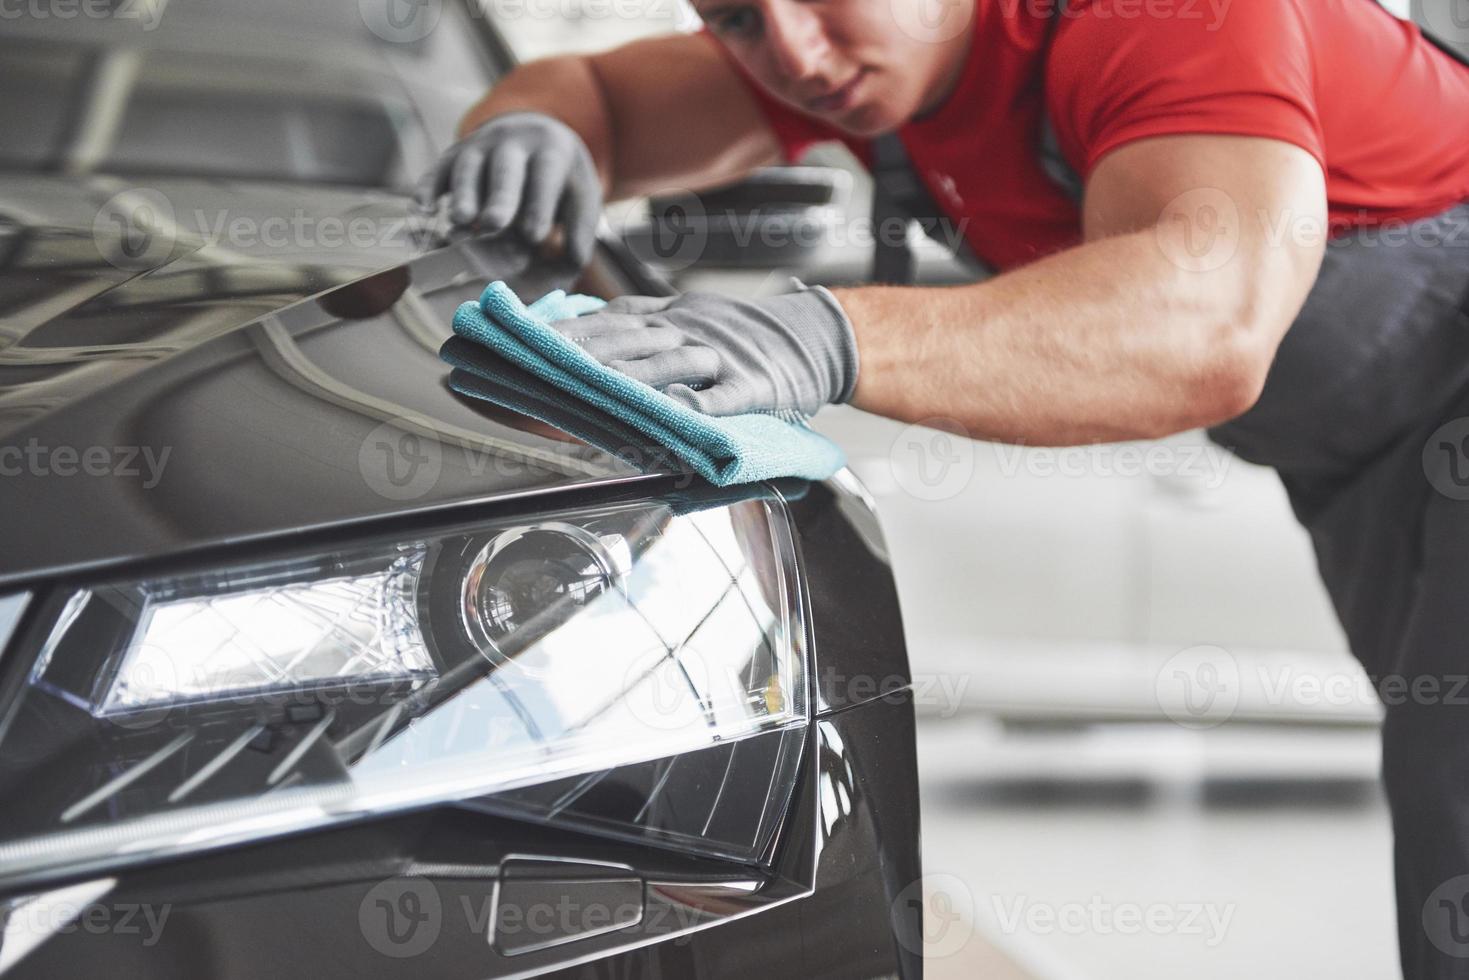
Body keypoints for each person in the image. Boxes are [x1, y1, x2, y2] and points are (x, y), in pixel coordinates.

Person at [418, 0, 1469, 972]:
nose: (793, 54)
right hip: (1368, 464)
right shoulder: (858, 64)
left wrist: (827, 331)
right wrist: (532, 129)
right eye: (736, 17)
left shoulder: (1163, 19)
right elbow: (595, 95)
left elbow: (1207, 318)